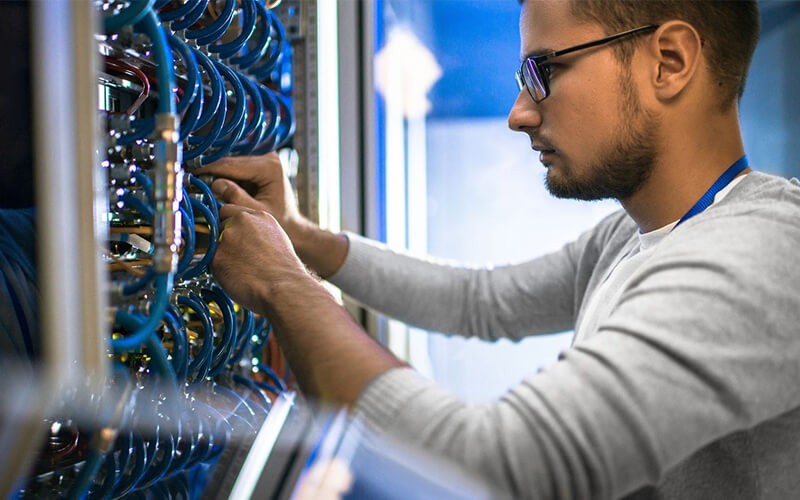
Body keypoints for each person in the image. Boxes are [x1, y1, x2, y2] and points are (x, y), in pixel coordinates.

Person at [196, 0, 800, 498]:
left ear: (668, 60)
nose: (519, 114)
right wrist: (302, 241)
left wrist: (282, 285)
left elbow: (497, 466)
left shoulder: (759, 255)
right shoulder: (637, 234)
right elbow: (481, 300)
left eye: (544, 72)